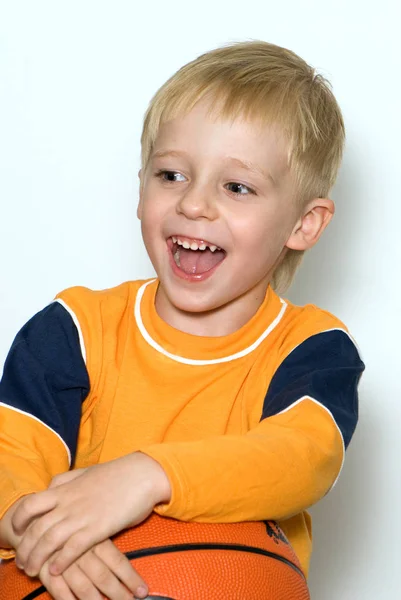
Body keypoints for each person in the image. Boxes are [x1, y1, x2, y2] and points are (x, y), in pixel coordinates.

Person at [0, 40, 364, 600]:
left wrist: (147, 477)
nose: (194, 204)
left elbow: (303, 456)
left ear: (304, 225)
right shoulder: (73, 328)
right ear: (140, 189)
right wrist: (41, 531)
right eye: (171, 175)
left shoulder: (312, 347)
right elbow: (10, 455)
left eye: (237, 187)